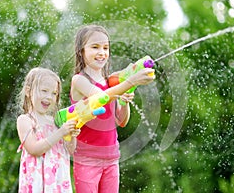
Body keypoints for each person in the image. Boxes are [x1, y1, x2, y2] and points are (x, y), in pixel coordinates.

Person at [71, 25, 155, 193]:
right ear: (81, 51)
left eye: (105, 48)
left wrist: (124, 100)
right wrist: (131, 82)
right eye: (95, 47)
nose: (101, 52)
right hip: (86, 159)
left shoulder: (110, 82)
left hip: (111, 158)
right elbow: (100, 98)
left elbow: (122, 121)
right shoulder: (79, 81)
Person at [16, 67, 80, 193]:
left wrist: (71, 135)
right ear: (29, 91)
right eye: (44, 91)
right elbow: (34, 149)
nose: (49, 97)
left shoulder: (56, 121)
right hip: (37, 184)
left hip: (58, 184)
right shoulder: (26, 120)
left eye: (54, 93)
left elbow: (70, 150)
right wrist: (61, 132)